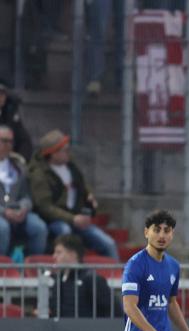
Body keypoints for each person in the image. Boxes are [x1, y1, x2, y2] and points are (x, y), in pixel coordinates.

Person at [28, 130, 118, 259]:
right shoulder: (39, 174)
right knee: (66, 234)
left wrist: (89, 196)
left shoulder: (71, 167)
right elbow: (45, 207)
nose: (68, 152)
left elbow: (82, 185)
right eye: (64, 150)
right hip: (54, 221)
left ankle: (119, 276)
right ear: (53, 153)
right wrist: (72, 219)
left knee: (108, 243)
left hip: (77, 218)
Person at [48, 234, 122, 318]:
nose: (54, 256)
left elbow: (113, 310)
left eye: (59, 252)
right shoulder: (58, 280)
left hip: (88, 330)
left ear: (72, 254)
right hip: (60, 330)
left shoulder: (92, 279)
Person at [0, 125, 47, 257]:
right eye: (4, 141)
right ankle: (3, 268)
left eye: (10, 141)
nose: (8, 145)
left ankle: (32, 267)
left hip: (18, 211)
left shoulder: (19, 166)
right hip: (2, 212)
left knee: (39, 227)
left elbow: (26, 195)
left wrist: (24, 208)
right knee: (2, 228)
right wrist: (4, 212)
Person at [0, 81, 33, 159]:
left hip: (8, 161)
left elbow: (24, 141)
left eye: (2, 94)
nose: (1, 97)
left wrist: (21, 160)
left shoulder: (11, 115)